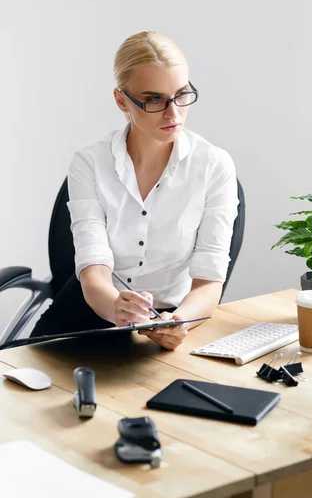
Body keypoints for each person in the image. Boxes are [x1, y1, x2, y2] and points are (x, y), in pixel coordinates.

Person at [32, 31, 238, 350]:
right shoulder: (89, 163)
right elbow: (93, 270)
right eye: (154, 99)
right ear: (121, 100)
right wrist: (117, 308)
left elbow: (210, 281)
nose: (174, 113)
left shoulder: (214, 166)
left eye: (182, 94)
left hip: (171, 321)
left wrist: (179, 322)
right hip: (91, 313)